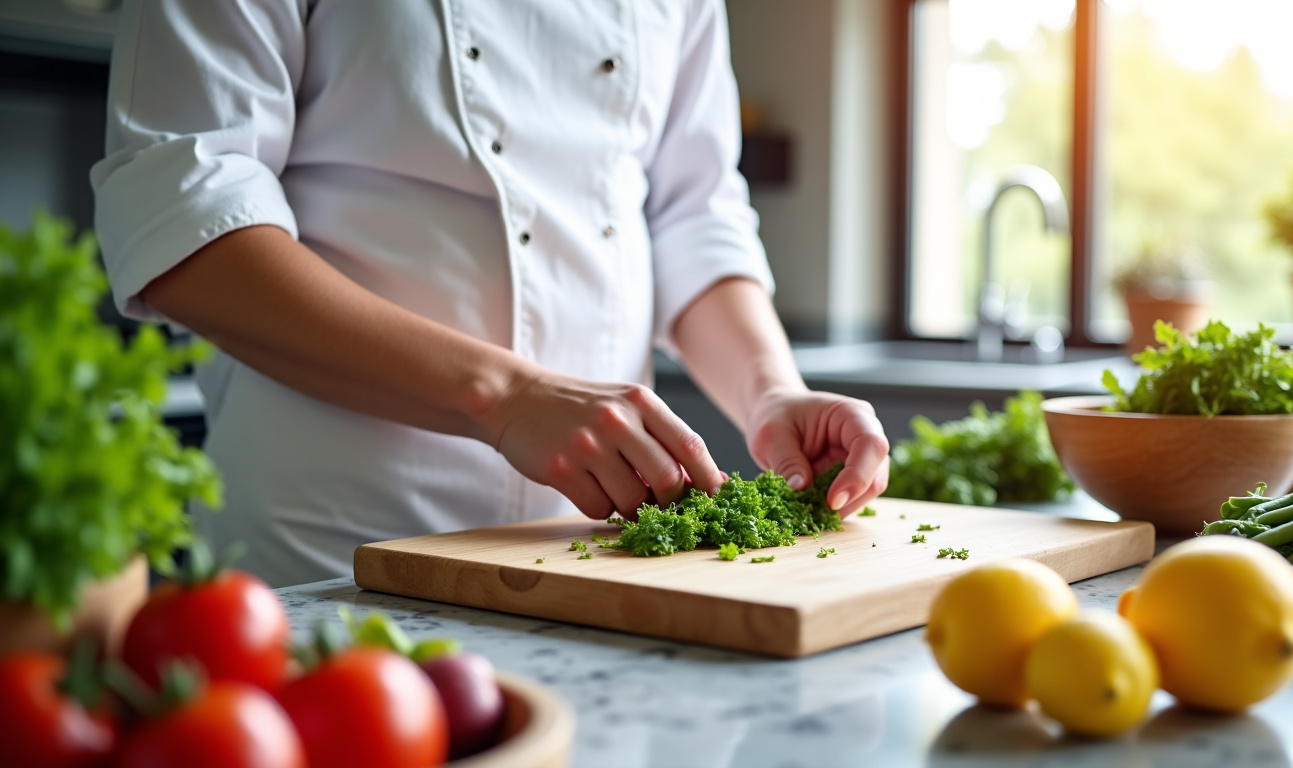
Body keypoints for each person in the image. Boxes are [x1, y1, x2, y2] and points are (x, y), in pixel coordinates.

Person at [92, 0, 890, 587]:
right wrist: (505, 395)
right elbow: (185, 213)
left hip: (602, 560)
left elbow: (691, 212)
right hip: (333, 553)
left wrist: (770, 392)